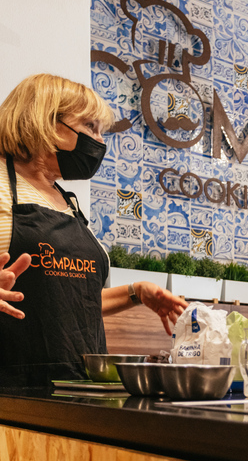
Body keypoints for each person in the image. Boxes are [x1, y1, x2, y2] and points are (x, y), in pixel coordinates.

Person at [0, 73, 187, 387]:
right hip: (14, 395)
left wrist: (135, 292)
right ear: (45, 121)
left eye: (101, 132)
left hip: (81, 389)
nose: (99, 142)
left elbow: (66, 300)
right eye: (89, 127)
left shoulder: (65, 201)